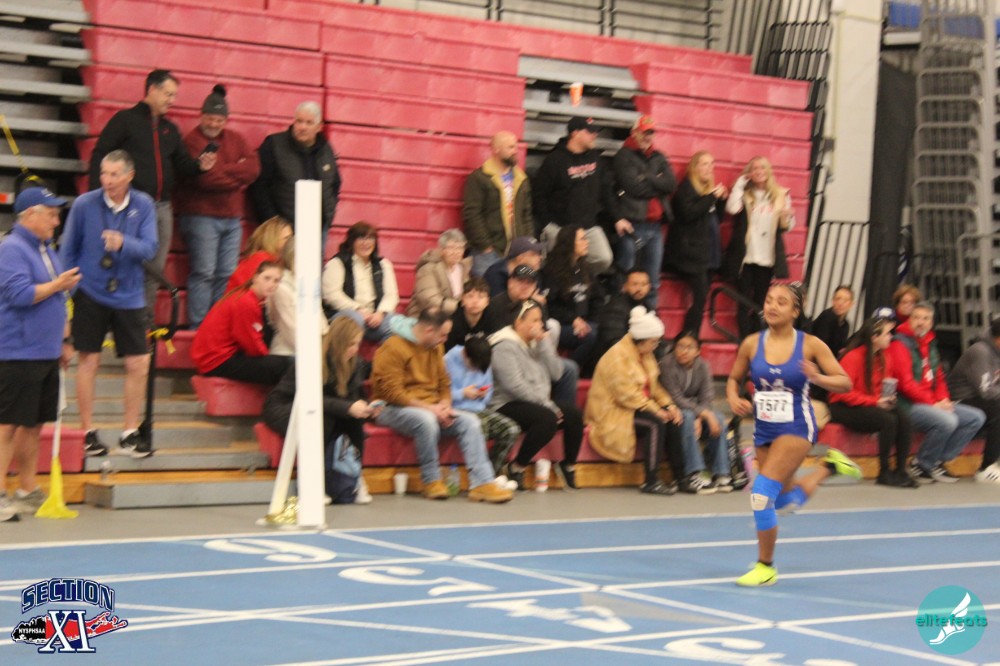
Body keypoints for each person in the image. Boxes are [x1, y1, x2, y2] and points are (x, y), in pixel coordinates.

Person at [726, 283, 859, 587]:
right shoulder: (751, 343)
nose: (772, 306)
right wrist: (733, 397)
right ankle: (829, 467)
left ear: (795, 311)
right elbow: (733, 379)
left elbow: (845, 382)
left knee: (762, 494)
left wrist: (817, 377)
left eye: (781, 302)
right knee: (783, 501)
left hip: (797, 426)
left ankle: (765, 567)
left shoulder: (810, 344)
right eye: (769, 300)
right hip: (764, 428)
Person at [88, 69, 216, 321]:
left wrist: (199, 167)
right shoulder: (125, 120)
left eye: (174, 95)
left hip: (162, 206)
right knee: (124, 263)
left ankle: (142, 322)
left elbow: (182, 164)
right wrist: (97, 197)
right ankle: (114, 318)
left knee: (154, 268)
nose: (172, 100)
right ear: (152, 90)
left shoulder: (170, 129)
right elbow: (100, 154)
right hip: (131, 205)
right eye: (168, 94)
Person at [61, 150, 159, 459]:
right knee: (88, 360)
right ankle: (87, 432)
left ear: (129, 175)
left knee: (138, 362)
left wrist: (123, 242)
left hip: (129, 294)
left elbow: (150, 247)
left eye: (114, 174)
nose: (107, 180)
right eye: (104, 173)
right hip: (90, 291)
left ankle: (129, 432)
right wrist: (69, 290)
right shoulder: (84, 204)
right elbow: (68, 249)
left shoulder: (143, 204)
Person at [371, 307, 512, 503]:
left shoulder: (436, 347)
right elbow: (391, 393)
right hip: (390, 408)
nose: (446, 339)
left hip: (430, 407)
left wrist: (445, 404)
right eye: (443, 335)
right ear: (429, 331)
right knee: (426, 420)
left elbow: (444, 382)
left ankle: (482, 483)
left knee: (470, 422)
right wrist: (431, 409)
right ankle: (431, 481)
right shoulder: (393, 347)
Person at [0, 188, 80, 521]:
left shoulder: (47, 249)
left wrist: (65, 340)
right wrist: (58, 285)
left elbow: (60, 299)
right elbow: (20, 295)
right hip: (17, 350)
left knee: (33, 424)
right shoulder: (11, 249)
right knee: (6, 425)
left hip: (45, 351)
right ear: (30, 214)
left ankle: (26, 489)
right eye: (51, 214)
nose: (56, 220)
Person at [262, 315, 378, 504]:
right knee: (319, 420)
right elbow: (310, 399)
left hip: (324, 408)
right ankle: (309, 485)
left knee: (353, 420)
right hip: (285, 406)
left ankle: (355, 477)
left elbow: (355, 395)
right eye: (351, 344)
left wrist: (367, 407)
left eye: (358, 344)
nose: (355, 349)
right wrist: (348, 407)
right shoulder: (313, 359)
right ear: (339, 342)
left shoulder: (354, 363)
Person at [174, 84, 260, 328]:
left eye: (219, 120)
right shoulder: (191, 141)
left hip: (232, 219)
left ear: (226, 120)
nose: (213, 123)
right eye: (210, 118)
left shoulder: (236, 139)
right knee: (204, 272)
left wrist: (222, 170)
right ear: (201, 116)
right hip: (200, 216)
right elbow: (205, 180)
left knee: (226, 274)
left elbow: (253, 169)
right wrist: (236, 175)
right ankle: (198, 327)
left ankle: (217, 326)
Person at [587, 307, 685, 496]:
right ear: (641, 340)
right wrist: (656, 410)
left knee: (673, 419)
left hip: (637, 407)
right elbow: (626, 395)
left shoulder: (645, 354)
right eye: (654, 342)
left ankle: (680, 477)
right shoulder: (617, 356)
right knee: (655, 424)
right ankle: (651, 480)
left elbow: (655, 387)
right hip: (612, 412)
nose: (656, 346)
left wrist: (669, 405)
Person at [490, 300, 583, 491]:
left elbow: (557, 373)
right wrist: (545, 404)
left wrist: (544, 344)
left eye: (540, 320)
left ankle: (567, 465)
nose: (540, 325)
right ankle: (516, 467)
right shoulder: (503, 346)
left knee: (573, 414)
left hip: (535, 401)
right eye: (534, 320)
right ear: (519, 322)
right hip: (506, 403)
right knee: (547, 419)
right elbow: (514, 386)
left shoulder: (536, 344)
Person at [889, 301, 986, 483]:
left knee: (975, 418)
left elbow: (939, 377)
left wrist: (944, 400)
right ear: (909, 320)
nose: (921, 322)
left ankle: (937, 462)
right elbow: (905, 384)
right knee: (947, 421)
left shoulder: (930, 342)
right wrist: (933, 403)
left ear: (931, 322)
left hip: (932, 402)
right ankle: (921, 464)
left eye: (925, 318)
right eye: (916, 318)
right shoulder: (899, 344)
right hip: (906, 404)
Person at [828, 316, 916, 488]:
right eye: (887, 333)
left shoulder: (884, 357)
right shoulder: (853, 357)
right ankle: (884, 472)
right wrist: (875, 401)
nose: (891, 337)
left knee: (904, 417)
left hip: (868, 402)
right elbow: (842, 393)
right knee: (888, 420)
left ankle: (901, 470)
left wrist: (886, 398)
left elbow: (880, 388)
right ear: (874, 337)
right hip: (842, 406)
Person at [532, 116, 623, 275]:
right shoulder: (554, 160)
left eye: (595, 132)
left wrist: (618, 218)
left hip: (588, 226)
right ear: (575, 133)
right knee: (557, 266)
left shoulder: (595, 157)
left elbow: (606, 190)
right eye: (590, 132)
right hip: (560, 227)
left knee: (604, 258)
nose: (595, 135)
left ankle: (580, 281)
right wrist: (547, 225)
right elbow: (539, 195)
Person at [250, 101, 341, 248]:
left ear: (319, 127)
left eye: (309, 123)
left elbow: (335, 184)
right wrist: (273, 224)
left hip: (316, 231)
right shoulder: (274, 145)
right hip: (281, 233)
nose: (302, 127)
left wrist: (327, 217)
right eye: (299, 121)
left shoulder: (326, 149)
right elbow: (259, 186)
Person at [722, 156, 794, 338]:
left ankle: (757, 339)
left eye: (762, 168)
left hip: (767, 258)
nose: (759, 172)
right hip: (746, 257)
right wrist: (740, 183)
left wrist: (788, 216)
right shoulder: (745, 193)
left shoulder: (780, 195)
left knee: (760, 302)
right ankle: (745, 340)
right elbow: (732, 208)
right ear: (749, 173)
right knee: (743, 302)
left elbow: (788, 226)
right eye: (754, 168)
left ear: (768, 171)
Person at [612, 115, 676, 308]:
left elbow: (670, 184)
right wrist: (658, 182)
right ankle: (621, 316)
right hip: (632, 224)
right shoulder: (624, 155)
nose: (648, 136)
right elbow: (633, 188)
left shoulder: (658, 156)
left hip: (655, 226)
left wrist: (646, 176)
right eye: (644, 132)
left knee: (653, 281)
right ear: (634, 132)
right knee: (626, 279)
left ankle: (650, 319)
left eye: (650, 133)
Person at [191, 262, 291, 385]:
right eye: (267, 278)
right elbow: (252, 345)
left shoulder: (245, 296)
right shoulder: (246, 302)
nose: (271, 284)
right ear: (255, 278)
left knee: (283, 362)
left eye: (276, 281)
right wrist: (268, 358)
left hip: (214, 358)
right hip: (216, 361)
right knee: (287, 366)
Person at [660, 331, 733, 494]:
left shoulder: (703, 365)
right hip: (673, 411)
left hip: (695, 411)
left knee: (718, 417)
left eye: (689, 347)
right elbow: (676, 398)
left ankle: (721, 473)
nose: (684, 351)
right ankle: (694, 473)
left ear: (698, 351)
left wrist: (700, 416)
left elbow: (707, 396)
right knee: (687, 416)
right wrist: (703, 414)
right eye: (680, 346)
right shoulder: (666, 364)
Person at [664, 151, 728, 335]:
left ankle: (690, 337)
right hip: (690, 254)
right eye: (705, 164)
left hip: (708, 254)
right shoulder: (686, 188)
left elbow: (717, 218)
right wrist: (712, 197)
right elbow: (688, 213)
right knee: (699, 299)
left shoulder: (709, 190)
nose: (710, 168)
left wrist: (721, 201)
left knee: (701, 300)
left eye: (712, 164)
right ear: (694, 167)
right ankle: (689, 337)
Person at [444, 337, 521, 486]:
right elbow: (439, 393)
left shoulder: (483, 361)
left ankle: (491, 474)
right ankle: (480, 479)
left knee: (511, 429)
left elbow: (489, 390)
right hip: (457, 409)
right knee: (481, 425)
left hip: (479, 408)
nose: (475, 369)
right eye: (473, 365)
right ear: (465, 354)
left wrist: (483, 395)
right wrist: (462, 393)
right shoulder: (448, 360)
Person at [462, 131, 534, 276]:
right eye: (510, 147)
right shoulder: (480, 177)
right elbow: (472, 214)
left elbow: (526, 214)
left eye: (516, 147)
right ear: (496, 149)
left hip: (517, 252)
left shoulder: (521, 179)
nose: (515, 151)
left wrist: (527, 243)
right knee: (485, 288)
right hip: (488, 252)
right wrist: (485, 246)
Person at [321, 221, 399, 343]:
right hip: (347, 314)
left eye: (370, 238)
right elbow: (331, 294)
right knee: (354, 319)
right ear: (351, 241)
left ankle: (386, 355)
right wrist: (358, 309)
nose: (366, 243)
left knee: (398, 325)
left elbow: (391, 295)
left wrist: (380, 313)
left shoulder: (383, 264)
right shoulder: (337, 263)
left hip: (374, 317)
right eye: (361, 238)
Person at [543, 225, 604, 377]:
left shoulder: (585, 268)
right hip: (561, 325)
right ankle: (565, 372)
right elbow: (549, 305)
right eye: (582, 239)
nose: (587, 242)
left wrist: (593, 321)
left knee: (604, 332)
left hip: (584, 322)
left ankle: (589, 375)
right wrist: (573, 319)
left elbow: (597, 298)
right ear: (569, 242)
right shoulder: (552, 270)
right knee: (591, 336)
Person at [948, 318, 1000, 483]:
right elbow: (986, 390)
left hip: (982, 399)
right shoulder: (981, 351)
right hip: (961, 399)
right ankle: (986, 468)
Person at [267, 241, 328, 357]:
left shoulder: (309, 282)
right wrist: (317, 352)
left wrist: (327, 344)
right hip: (289, 351)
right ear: (292, 256)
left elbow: (321, 320)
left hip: (315, 346)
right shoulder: (281, 287)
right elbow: (291, 330)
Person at [406, 229, 471, 317]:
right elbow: (429, 300)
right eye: (451, 248)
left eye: (460, 248)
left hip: (454, 316)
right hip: (426, 317)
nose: (456, 252)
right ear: (441, 250)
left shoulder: (463, 268)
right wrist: (461, 307)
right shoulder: (428, 269)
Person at [596, 268, 653, 360]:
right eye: (635, 284)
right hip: (614, 360)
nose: (639, 289)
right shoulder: (615, 307)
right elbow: (613, 341)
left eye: (644, 284)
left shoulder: (648, 307)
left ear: (649, 287)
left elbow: (657, 339)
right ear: (625, 286)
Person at [225, 216, 292, 292]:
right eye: (286, 238)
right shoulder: (261, 258)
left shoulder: (277, 259)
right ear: (273, 238)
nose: (290, 242)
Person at [444, 277, 500, 351]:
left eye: (481, 297)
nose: (475, 301)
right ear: (462, 300)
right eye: (470, 296)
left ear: (487, 301)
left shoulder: (493, 318)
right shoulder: (452, 323)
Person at [812, 285, 854, 358]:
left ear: (851, 304)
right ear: (833, 301)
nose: (841, 303)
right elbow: (820, 347)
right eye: (838, 299)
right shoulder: (827, 316)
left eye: (845, 300)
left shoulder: (846, 325)